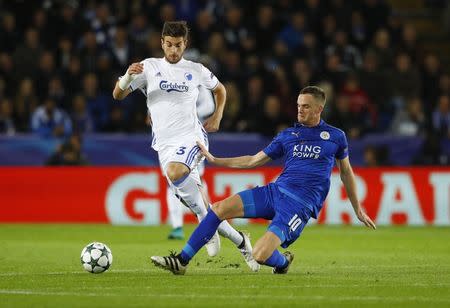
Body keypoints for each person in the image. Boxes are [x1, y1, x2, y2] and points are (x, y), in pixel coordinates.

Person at [151, 86, 376, 275]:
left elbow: (346, 172)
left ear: (319, 108)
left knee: (259, 255)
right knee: (218, 208)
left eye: (306, 106)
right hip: (275, 192)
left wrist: (357, 208)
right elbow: (253, 161)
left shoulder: (336, 136)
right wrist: (215, 159)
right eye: (298, 105)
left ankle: (283, 262)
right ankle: (181, 261)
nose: (300, 110)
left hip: (299, 206)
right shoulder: (288, 135)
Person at [112, 21, 259, 271]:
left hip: (192, 138)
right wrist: (127, 76)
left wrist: (218, 115)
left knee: (176, 173)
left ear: (185, 44)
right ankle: (238, 238)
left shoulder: (195, 69)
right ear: (162, 43)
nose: (173, 50)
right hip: (164, 145)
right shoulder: (148, 67)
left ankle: (207, 226)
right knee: (198, 204)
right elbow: (118, 95)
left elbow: (220, 90)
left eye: (178, 45)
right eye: (169, 45)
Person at [167, 86, 216, 240]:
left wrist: (188, 114)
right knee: (172, 180)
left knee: (196, 180)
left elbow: (209, 105)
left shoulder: (197, 80)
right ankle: (178, 227)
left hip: (193, 137)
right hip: (172, 136)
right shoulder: (171, 80)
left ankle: (209, 219)